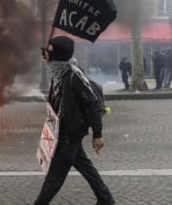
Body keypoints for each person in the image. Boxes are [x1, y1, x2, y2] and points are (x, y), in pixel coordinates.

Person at [35, 36, 115, 205]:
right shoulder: (59, 71)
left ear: (58, 55)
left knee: (56, 173)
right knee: (83, 164)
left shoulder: (73, 76)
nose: (47, 53)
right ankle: (105, 198)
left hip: (70, 133)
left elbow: (93, 104)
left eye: (51, 50)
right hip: (62, 129)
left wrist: (97, 134)